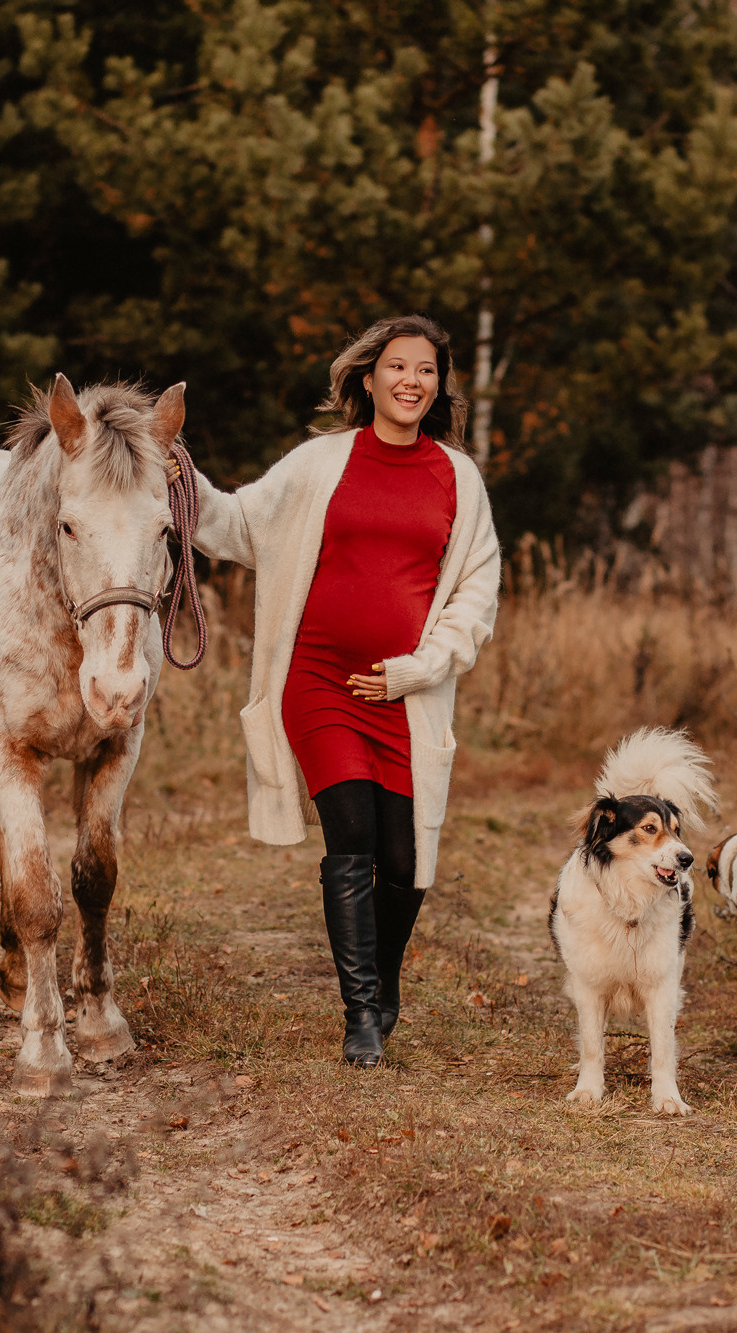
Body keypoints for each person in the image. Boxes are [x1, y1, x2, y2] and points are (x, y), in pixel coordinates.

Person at [179, 314, 501, 1066]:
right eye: (397, 367)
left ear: (438, 385)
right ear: (368, 377)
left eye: (425, 370)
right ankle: (362, 1015)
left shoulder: (459, 478)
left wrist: (414, 670)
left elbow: (477, 596)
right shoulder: (320, 463)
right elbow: (237, 525)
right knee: (350, 839)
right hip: (317, 680)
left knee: (404, 861)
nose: (410, 381)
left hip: (408, 697)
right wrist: (180, 475)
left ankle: (383, 983)